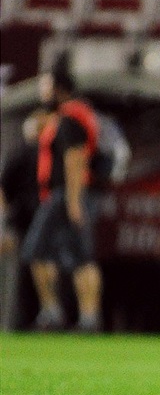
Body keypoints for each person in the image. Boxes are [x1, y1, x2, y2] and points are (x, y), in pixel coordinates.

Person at [21, 60, 104, 332]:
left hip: (65, 196)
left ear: (59, 88)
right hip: (71, 195)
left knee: (36, 251)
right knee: (81, 257)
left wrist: (73, 200)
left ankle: (56, 313)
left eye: (47, 86)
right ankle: (87, 317)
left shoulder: (69, 118)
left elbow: (73, 158)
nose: (43, 91)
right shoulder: (75, 114)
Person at [0, 109, 51, 329]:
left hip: (35, 222)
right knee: (23, 272)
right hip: (25, 222)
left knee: (25, 271)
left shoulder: (48, 154)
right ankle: (20, 321)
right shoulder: (24, 153)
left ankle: (39, 316)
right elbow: (3, 189)